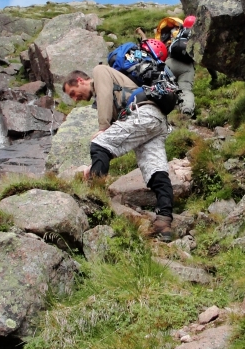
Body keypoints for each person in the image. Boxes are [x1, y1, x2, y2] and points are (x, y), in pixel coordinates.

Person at [63, 64, 174, 241]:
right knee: (155, 171)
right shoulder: (118, 92)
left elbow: (105, 99)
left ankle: (93, 199)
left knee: (98, 144)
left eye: (72, 93)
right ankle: (164, 222)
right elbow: (117, 139)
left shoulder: (99, 71)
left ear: (80, 80)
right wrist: (94, 167)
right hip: (156, 120)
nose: (75, 99)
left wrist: (102, 128)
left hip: (142, 114)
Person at [136, 16, 196, 117]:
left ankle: (156, 110)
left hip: (170, 63)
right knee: (185, 90)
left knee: (162, 86)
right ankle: (186, 110)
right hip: (187, 68)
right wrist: (214, 78)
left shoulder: (177, 32)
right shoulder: (199, 37)